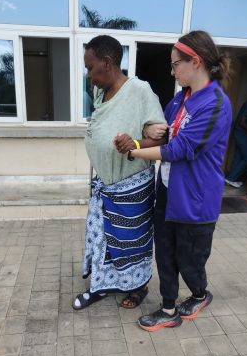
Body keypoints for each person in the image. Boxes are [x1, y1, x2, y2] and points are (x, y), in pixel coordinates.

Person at [114, 30, 232, 331]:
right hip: (168, 190)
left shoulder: (216, 104)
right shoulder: (181, 100)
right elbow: (166, 136)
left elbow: (182, 149)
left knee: (190, 260)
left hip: (196, 199)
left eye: (175, 63)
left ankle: (200, 293)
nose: (172, 70)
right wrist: (138, 142)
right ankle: (168, 309)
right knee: (164, 252)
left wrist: (134, 153)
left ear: (195, 61)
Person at [73, 35, 167, 310]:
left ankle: (139, 286)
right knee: (102, 237)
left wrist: (135, 143)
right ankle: (102, 285)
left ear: (107, 62)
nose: (89, 76)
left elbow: (161, 138)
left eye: (91, 68)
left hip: (131, 187)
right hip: (105, 184)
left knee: (131, 243)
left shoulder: (140, 91)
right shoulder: (100, 93)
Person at [225, 82, 247, 188]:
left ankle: (231, 179)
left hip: (239, 134)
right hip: (242, 134)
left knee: (238, 157)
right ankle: (231, 178)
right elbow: (243, 122)